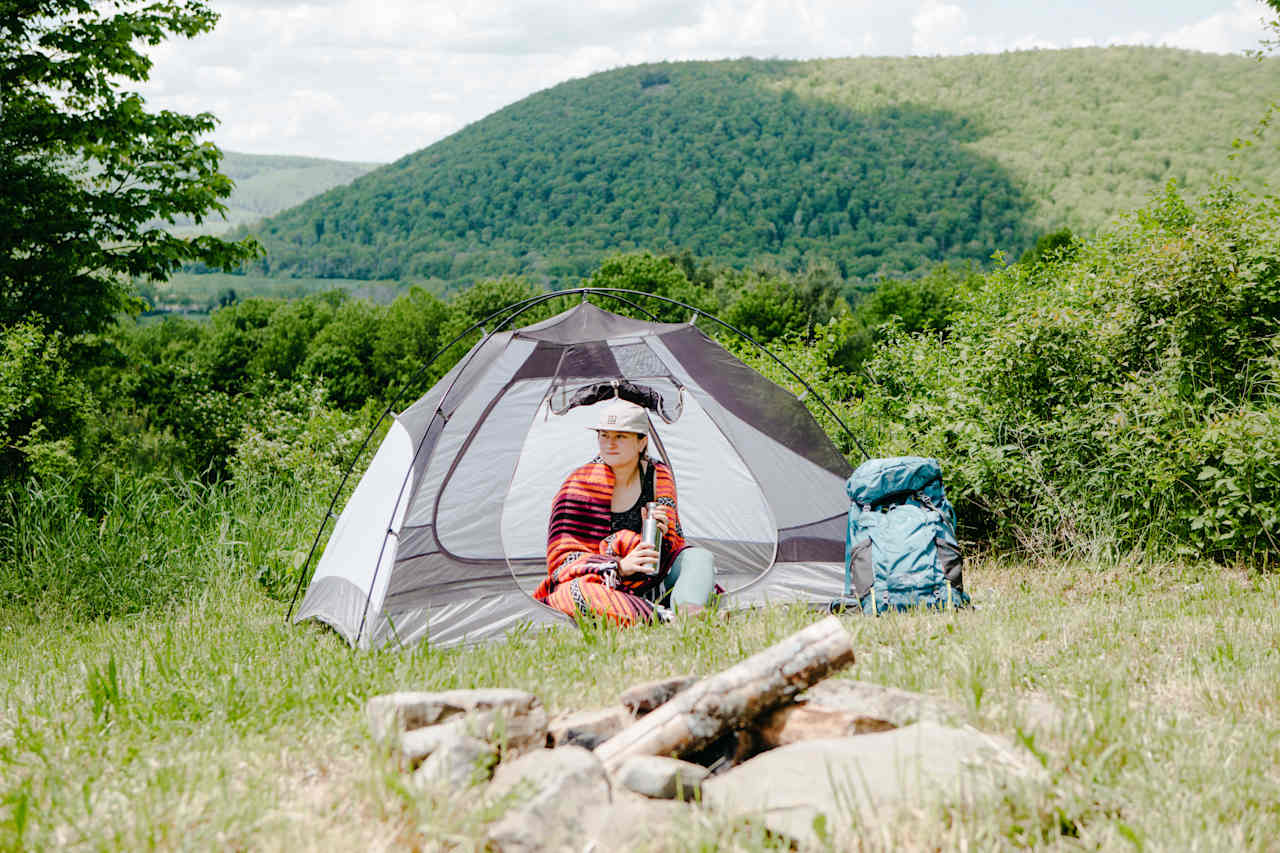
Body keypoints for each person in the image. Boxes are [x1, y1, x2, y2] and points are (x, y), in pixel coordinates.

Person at [533, 399, 717, 625]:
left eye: (620, 436)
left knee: (698, 558)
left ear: (641, 443)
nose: (610, 444)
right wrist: (619, 567)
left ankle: (689, 613)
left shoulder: (658, 476)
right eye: (604, 435)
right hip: (604, 583)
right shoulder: (578, 485)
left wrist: (664, 531)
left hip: (652, 576)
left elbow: (673, 544)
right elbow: (564, 560)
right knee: (573, 592)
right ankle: (663, 617)